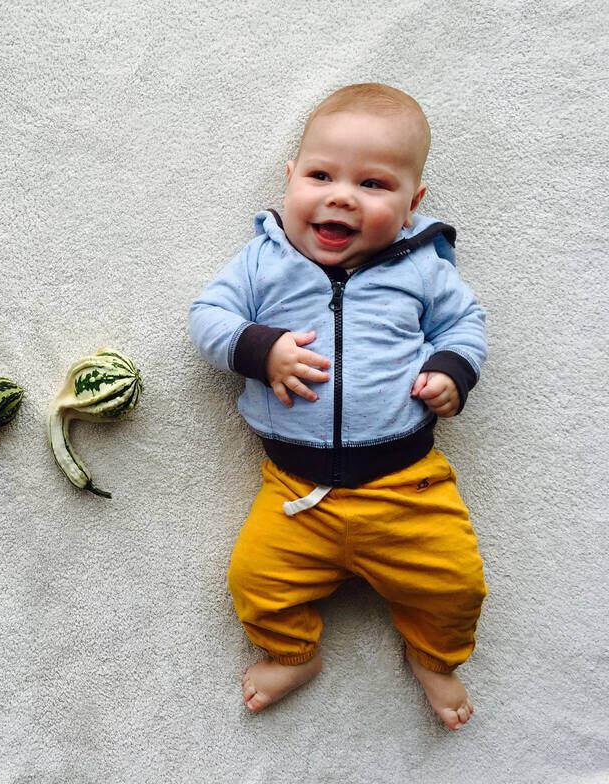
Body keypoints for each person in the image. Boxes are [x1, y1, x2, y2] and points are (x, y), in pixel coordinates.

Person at [188, 83, 487, 730]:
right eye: (321, 175)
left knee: (455, 584)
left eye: (374, 185)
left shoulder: (423, 268)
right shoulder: (263, 260)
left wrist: (450, 371)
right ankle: (293, 652)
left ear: (413, 204)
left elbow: (465, 326)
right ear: (291, 178)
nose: (342, 197)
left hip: (407, 487)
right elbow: (207, 317)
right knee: (253, 583)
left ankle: (435, 657)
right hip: (297, 492)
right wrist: (260, 350)